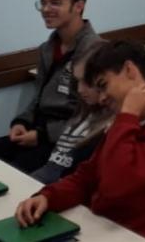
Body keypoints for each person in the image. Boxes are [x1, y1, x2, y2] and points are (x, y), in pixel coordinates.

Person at [14, 41, 145, 242]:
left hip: (126, 235)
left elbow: (115, 188)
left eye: (103, 85)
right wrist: (48, 197)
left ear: (130, 70)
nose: (101, 98)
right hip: (97, 225)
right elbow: (88, 176)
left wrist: (127, 116)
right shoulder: (130, 123)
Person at [0, 0, 101, 174]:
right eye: (43, 3)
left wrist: (42, 135)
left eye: (55, 3)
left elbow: (92, 119)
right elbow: (38, 98)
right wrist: (22, 121)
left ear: (78, 6)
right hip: (37, 131)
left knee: (11, 176)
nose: (46, 9)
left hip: (65, 141)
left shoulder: (97, 52)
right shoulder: (47, 49)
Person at [32, 42, 114, 184]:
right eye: (77, 82)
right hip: (43, 181)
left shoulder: (108, 129)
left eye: (86, 82)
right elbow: (50, 167)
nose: (80, 90)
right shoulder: (84, 111)